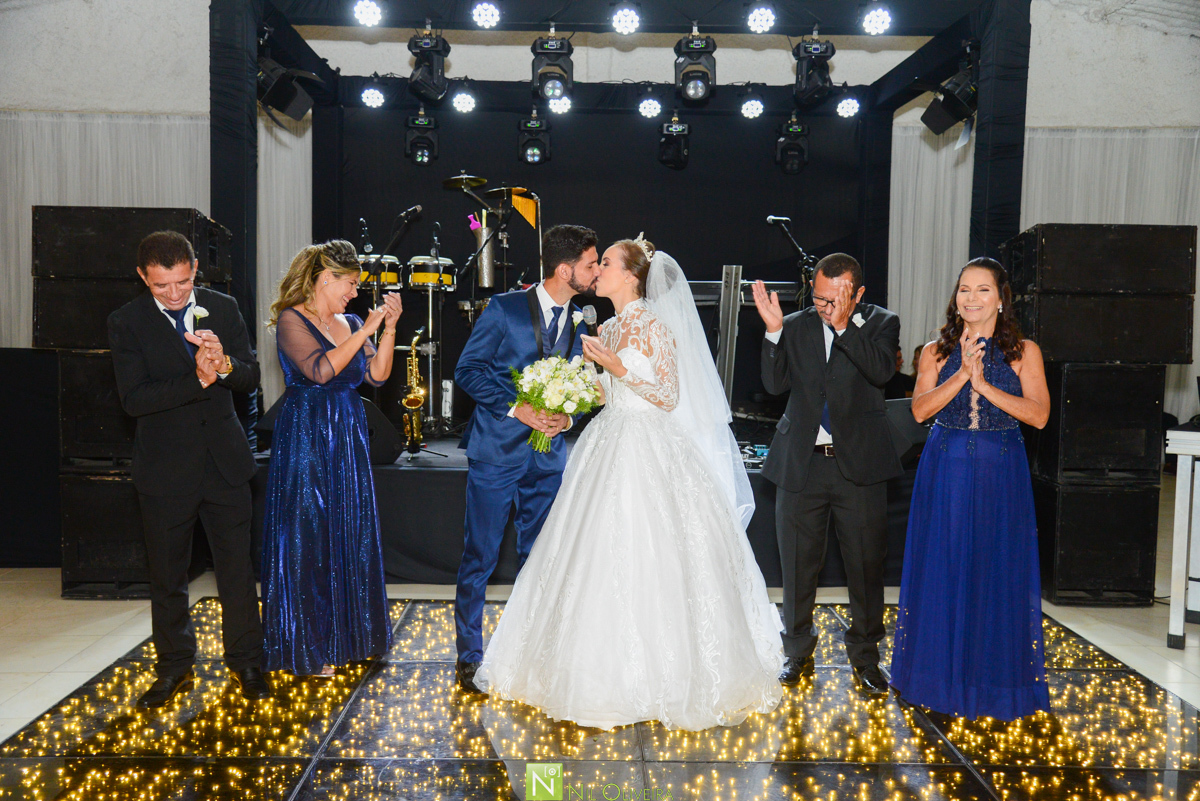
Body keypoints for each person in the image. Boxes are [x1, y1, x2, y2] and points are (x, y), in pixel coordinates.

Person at [476, 236, 783, 731]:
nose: (598, 272)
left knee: (652, 552)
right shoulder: (611, 325)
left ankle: (665, 676)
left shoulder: (655, 327)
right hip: (607, 441)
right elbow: (605, 390)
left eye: (608, 265)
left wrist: (616, 367)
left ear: (632, 277)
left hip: (649, 447)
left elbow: (666, 394)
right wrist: (565, 400)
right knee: (592, 554)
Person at [108, 231, 268, 708]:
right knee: (167, 577)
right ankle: (174, 667)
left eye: (181, 283)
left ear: (194, 269)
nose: (174, 295)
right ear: (143, 277)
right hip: (164, 471)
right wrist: (198, 378)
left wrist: (223, 367)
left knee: (237, 573)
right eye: (162, 287)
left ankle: (247, 664)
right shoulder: (126, 322)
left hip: (225, 464)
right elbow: (133, 400)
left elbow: (252, 376)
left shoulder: (223, 307)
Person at [890, 257, 1052, 721]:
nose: (972, 298)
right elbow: (920, 411)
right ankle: (935, 678)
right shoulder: (934, 352)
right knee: (943, 567)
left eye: (983, 290)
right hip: (946, 469)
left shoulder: (1023, 351)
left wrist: (986, 384)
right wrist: (962, 375)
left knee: (995, 570)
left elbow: (1038, 415)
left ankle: (994, 683)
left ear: (1001, 298)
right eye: (964, 289)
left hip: (1003, 472)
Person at [453, 224, 600, 693]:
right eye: (591, 265)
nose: (596, 273)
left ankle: (529, 652)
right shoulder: (504, 308)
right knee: (480, 555)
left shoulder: (582, 320)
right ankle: (469, 654)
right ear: (565, 269)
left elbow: (583, 386)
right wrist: (520, 408)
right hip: (496, 452)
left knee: (541, 557)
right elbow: (467, 371)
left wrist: (567, 419)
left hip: (549, 459)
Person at [752, 254, 902, 698]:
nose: (825, 306)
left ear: (857, 294)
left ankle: (866, 658)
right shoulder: (795, 323)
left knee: (865, 566)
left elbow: (880, 370)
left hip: (859, 467)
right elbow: (773, 385)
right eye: (819, 297)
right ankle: (796, 652)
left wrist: (843, 327)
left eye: (835, 299)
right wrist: (774, 331)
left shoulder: (880, 323)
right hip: (802, 463)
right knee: (797, 565)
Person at [260, 241, 402, 676]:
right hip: (306, 437)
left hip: (348, 436)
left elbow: (376, 375)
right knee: (309, 537)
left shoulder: (353, 320)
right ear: (325, 279)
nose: (354, 294)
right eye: (350, 283)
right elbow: (320, 371)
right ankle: (309, 646)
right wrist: (363, 332)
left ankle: (349, 637)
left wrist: (388, 328)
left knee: (348, 530)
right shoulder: (292, 319)